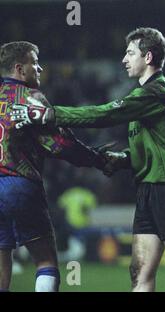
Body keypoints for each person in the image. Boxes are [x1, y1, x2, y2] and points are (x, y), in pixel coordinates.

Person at [11, 28, 165, 292]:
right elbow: (156, 149)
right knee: (139, 271)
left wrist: (49, 115)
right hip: (148, 188)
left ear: (149, 57)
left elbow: (103, 114)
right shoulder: (143, 95)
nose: (124, 59)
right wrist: (122, 159)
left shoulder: (155, 92)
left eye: (130, 53)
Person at [0, 41, 107, 291]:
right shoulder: (29, 98)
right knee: (46, 260)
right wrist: (96, 158)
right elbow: (59, 144)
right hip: (19, 183)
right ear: (19, 69)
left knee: (2, 256)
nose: (39, 68)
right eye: (34, 62)